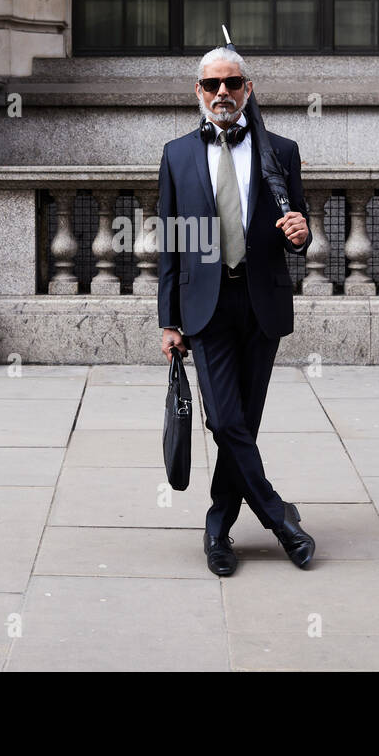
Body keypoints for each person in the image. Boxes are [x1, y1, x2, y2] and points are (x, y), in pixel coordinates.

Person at [156, 46, 316, 577]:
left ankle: (219, 529)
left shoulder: (281, 150)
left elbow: (297, 226)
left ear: (248, 89)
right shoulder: (177, 155)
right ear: (197, 93)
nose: (221, 92)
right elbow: (172, 247)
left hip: (260, 301)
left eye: (231, 83)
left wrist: (303, 234)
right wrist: (168, 319)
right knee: (223, 418)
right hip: (205, 306)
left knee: (242, 423)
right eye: (210, 84)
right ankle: (278, 516)